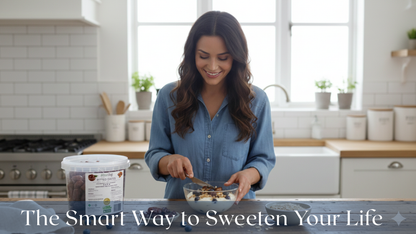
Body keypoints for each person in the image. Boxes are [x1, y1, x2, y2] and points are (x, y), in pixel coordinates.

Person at [145, 11, 275, 202]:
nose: (213, 67)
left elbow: (263, 159)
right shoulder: (168, 96)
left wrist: (249, 174)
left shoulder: (257, 100)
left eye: (223, 58)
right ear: (192, 55)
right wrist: (169, 161)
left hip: (237, 213)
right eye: (204, 56)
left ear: (236, 58)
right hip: (181, 212)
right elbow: (155, 153)